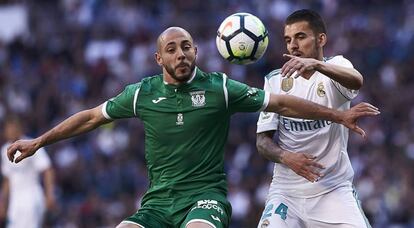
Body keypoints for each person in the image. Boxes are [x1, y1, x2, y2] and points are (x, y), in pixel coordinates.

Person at [6, 27, 378, 228]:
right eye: (172, 49)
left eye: (186, 47)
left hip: (205, 201)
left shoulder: (219, 88)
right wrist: (40, 140)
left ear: (197, 51)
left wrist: (337, 115)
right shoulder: (141, 94)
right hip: (157, 204)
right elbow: (90, 117)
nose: (180, 54)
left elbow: (280, 102)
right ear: (158, 58)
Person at [256, 9, 372, 228]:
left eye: (300, 37)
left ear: (321, 39)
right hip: (286, 192)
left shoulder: (336, 67)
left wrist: (317, 65)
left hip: (332, 190)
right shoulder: (275, 81)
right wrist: (285, 156)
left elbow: (357, 80)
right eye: (288, 40)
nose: (293, 46)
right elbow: (262, 142)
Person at [0, 116, 56, 228]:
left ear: (19, 128)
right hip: (15, 200)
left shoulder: (30, 145)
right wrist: (2, 202)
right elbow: (8, 178)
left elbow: (47, 169)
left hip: (31, 196)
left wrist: (49, 194)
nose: (10, 131)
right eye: (8, 128)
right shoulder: (4, 150)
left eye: (12, 128)